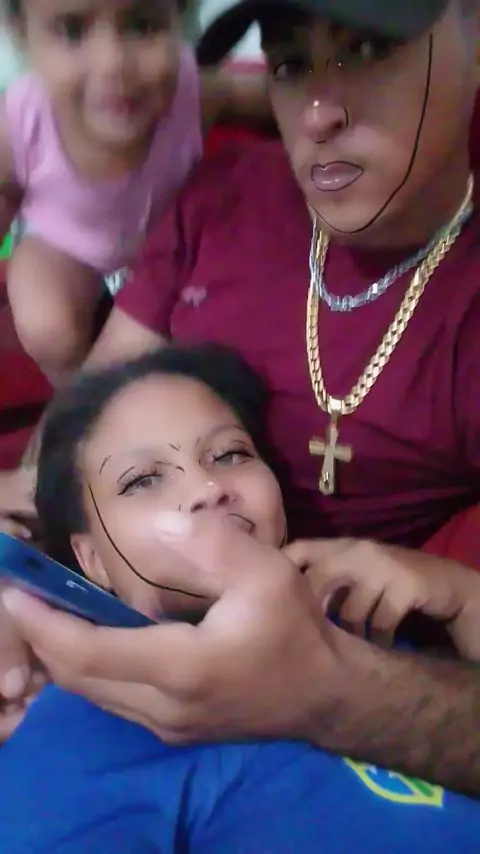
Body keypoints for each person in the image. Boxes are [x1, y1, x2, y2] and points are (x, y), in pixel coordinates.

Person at [2, 0, 480, 791]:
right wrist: (22, 580)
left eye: (366, 49)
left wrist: (332, 693)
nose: (318, 114)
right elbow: (85, 424)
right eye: (291, 64)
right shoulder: (226, 190)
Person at [1, 343, 479, 853]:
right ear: (92, 559)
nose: (208, 488)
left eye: (230, 454)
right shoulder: (71, 741)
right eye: (143, 480)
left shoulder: (371, 621)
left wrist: (465, 600)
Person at [0, 0, 270, 386]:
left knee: (227, 310)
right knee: (46, 324)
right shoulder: (21, 122)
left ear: (180, 18)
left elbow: (257, 95)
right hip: (66, 244)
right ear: (22, 35)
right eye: (72, 31)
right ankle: (81, 395)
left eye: (142, 26)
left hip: (171, 242)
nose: (114, 64)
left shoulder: (191, 91)